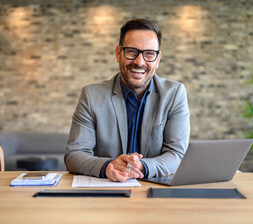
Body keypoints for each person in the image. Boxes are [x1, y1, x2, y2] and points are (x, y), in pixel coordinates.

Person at [65, 19, 190, 182]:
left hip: (154, 192)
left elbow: (178, 154)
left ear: (158, 59)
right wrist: (109, 166)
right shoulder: (91, 95)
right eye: (131, 51)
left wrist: (142, 166)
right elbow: (74, 155)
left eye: (149, 54)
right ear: (118, 53)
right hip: (106, 191)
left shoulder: (174, 94)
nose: (139, 62)